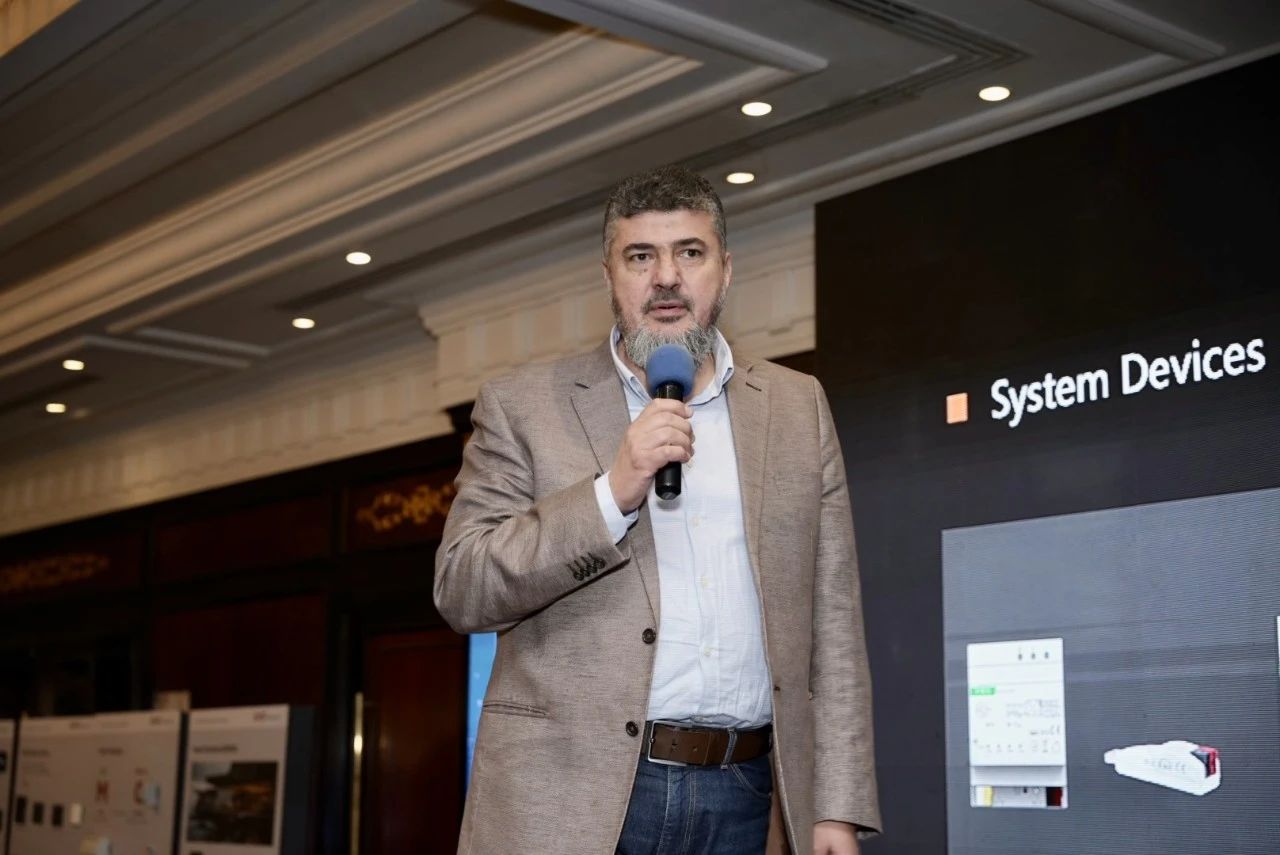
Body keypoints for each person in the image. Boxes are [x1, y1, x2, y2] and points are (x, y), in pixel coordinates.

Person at [434, 165, 880, 854]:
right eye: (640, 256)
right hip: (571, 800)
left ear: (725, 271)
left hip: (745, 792)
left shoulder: (798, 407)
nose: (666, 277)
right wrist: (610, 494)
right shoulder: (521, 406)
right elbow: (462, 587)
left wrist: (836, 807)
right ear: (609, 276)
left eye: (690, 253)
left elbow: (835, 619)